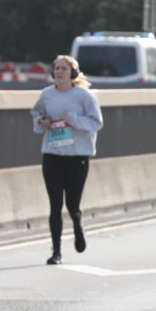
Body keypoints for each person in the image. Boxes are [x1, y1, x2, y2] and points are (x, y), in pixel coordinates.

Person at [31, 55, 103, 265]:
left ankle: (77, 222)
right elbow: (36, 114)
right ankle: (56, 252)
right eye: (56, 68)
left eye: (63, 68)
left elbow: (97, 122)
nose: (59, 71)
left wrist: (73, 119)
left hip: (77, 156)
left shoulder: (83, 95)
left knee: (72, 204)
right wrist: (41, 122)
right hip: (52, 155)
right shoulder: (46, 95)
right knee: (55, 205)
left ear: (72, 73)